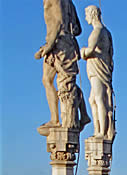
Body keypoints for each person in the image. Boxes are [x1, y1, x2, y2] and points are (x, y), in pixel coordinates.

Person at [35, 0, 90, 134]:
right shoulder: (69, 3)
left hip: (57, 45)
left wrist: (48, 47)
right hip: (67, 43)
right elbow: (78, 29)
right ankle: (84, 114)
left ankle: (55, 119)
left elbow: (58, 23)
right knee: (66, 82)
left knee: (49, 81)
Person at [81, 5, 115, 140]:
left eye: (86, 14)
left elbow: (90, 50)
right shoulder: (106, 32)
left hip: (98, 70)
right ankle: (98, 129)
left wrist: (82, 51)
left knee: (99, 99)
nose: (85, 18)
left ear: (92, 14)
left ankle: (101, 132)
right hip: (100, 68)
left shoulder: (97, 32)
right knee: (93, 99)